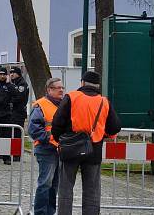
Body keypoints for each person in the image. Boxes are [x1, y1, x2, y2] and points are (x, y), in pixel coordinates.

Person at [52, 71, 122, 215]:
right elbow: (115, 127)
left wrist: (61, 139)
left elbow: (57, 123)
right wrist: (102, 134)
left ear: (82, 83)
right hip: (93, 150)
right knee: (92, 191)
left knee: (66, 188)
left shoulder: (71, 97)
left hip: (70, 148)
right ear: (97, 86)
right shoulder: (104, 101)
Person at [29, 78, 65, 215]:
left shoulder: (63, 105)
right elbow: (33, 129)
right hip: (46, 149)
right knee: (45, 183)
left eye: (62, 87)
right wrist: (50, 139)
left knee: (54, 184)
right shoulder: (40, 105)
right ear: (49, 90)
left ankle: (50, 212)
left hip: (60, 149)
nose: (61, 90)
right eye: (58, 88)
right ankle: (40, 212)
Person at [9, 67, 30, 162]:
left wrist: (8, 101)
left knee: (17, 134)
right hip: (11, 113)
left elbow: (19, 98)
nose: (11, 74)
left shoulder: (22, 84)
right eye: (10, 73)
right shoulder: (12, 83)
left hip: (18, 113)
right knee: (10, 134)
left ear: (18, 74)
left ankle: (17, 155)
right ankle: (9, 153)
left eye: (13, 73)